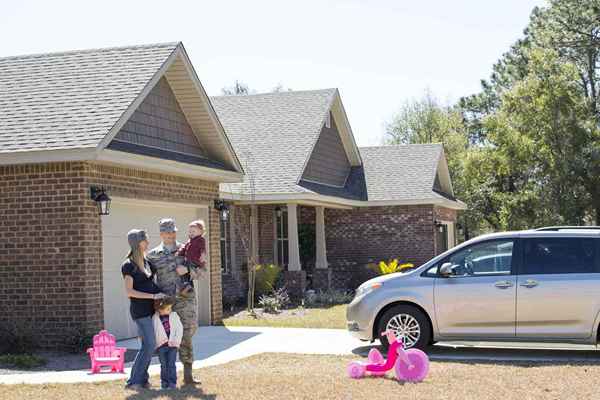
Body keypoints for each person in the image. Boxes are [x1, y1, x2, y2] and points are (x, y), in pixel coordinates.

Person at [146, 218, 202, 385]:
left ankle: (188, 375)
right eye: (167, 232)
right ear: (161, 234)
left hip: (186, 299)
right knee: (165, 337)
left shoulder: (187, 249)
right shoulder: (153, 255)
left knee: (187, 332)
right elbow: (148, 279)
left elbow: (201, 270)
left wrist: (189, 270)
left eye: (173, 231)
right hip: (166, 302)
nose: (170, 235)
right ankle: (167, 376)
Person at [121, 229, 166, 390]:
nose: (147, 242)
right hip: (140, 311)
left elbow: (152, 283)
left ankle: (143, 380)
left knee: (148, 345)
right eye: (145, 240)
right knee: (149, 345)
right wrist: (153, 297)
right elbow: (129, 291)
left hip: (152, 310)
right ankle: (133, 382)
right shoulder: (128, 265)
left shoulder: (147, 262)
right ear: (137, 243)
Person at [153, 297, 183, 390]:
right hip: (161, 346)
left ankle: (172, 383)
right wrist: (155, 345)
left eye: (170, 308)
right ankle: (164, 383)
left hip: (172, 345)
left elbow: (179, 329)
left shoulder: (174, 315)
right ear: (160, 309)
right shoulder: (155, 318)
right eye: (168, 309)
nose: (170, 310)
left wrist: (176, 341)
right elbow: (154, 332)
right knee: (163, 365)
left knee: (171, 364)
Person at [176, 220, 207, 297]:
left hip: (194, 261)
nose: (191, 233)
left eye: (193, 231)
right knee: (185, 275)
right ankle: (186, 288)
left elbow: (202, 249)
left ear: (201, 232)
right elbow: (184, 249)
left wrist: (203, 255)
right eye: (190, 232)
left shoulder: (200, 240)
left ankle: (187, 288)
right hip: (188, 260)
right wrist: (179, 253)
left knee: (186, 271)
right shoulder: (189, 241)